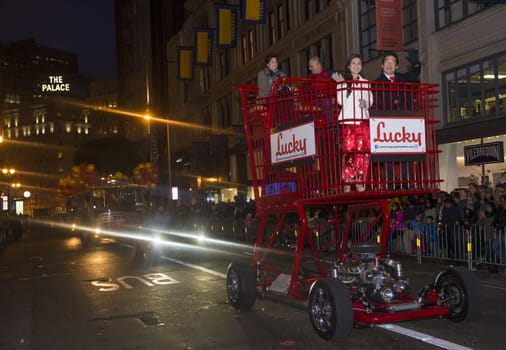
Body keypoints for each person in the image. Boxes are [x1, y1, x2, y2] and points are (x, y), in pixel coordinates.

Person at [374, 49, 421, 189]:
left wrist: (416, 64)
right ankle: (390, 182)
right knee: (387, 153)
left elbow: (414, 74)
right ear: (382, 66)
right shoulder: (376, 84)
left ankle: (405, 181)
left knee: (405, 151)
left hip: (403, 122)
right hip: (387, 122)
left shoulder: (401, 79)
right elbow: (376, 103)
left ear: (397, 66)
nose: (389, 64)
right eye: (387, 62)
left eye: (393, 62)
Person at [333, 54, 373, 192]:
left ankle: (360, 180)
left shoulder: (366, 82)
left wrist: (365, 103)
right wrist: (343, 85)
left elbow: (370, 100)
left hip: (362, 120)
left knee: (363, 151)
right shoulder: (344, 82)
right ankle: (348, 180)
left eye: (359, 63)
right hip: (349, 120)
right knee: (349, 150)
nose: (356, 66)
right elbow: (340, 101)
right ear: (349, 66)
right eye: (353, 63)